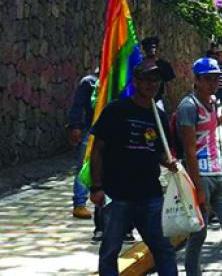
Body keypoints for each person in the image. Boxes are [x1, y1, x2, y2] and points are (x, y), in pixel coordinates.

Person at [88, 60, 178, 276]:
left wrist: (170, 163)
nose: (151, 84)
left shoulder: (159, 116)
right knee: (110, 251)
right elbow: (98, 149)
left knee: (163, 249)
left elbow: (159, 152)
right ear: (135, 81)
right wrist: (96, 187)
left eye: (155, 80)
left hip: (150, 195)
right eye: (146, 79)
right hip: (116, 194)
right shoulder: (116, 110)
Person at [178, 58, 222, 276]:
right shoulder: (188, 106)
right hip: (201, 175)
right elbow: (189, 150)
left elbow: (210, 127)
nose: (212, 83)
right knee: (198, 233)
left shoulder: (213, 101)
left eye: (216, 78)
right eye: (207, 78)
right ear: (196, 80)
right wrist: (197, 187)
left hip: (220, 173)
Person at [68, 69, 98, 220]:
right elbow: (78, 106)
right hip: (91, 130)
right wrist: (75, 126)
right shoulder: (89, 82)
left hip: (112, 131)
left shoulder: (120, 82)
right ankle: (79, 203)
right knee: (83, 165)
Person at [141, 37, 176, 107]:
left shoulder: (164, 65)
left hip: (157, 100)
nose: (152, 50)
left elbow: (169, 86)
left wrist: (173, 105)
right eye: (149, 47)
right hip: (141, 100)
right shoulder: (139, 64)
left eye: (154, 47)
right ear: (144, 49)